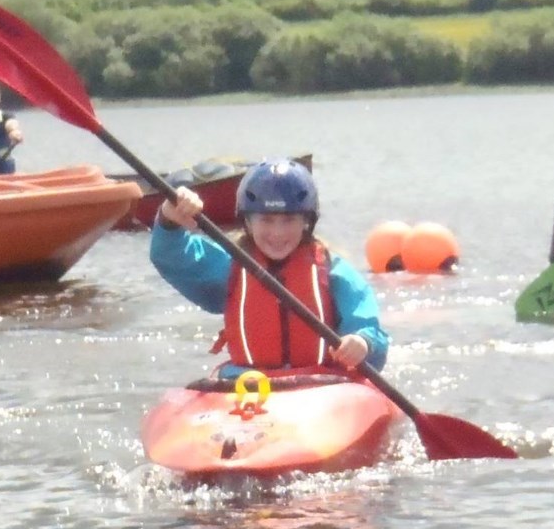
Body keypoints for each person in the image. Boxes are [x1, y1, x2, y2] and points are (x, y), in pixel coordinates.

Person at [150, 158, 388, 378]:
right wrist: (169, 218)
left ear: (307, 222)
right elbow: (171, 256)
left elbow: (368, 328)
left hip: (319, 384)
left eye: (288, 220)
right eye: (266, 220)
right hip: (248, 385)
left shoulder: (335, 271)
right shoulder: (230, 266)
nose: (277, 233)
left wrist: (362, 342)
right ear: (247, 222)